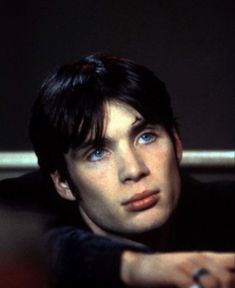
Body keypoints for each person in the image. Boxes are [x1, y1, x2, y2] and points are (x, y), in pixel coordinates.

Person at [2, 53, 234, 287]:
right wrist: (132, 265)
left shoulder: (221, 211)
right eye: (97, 153)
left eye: (146, 137)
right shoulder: (22, 212)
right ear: (63, 182)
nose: (134, 170)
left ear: (176, 142)